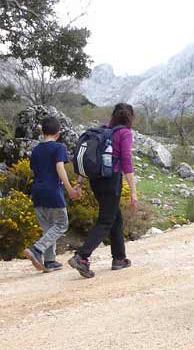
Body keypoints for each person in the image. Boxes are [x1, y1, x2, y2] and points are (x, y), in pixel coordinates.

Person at [69, 103, 138, 278]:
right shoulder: (124, 133)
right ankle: (81, 257)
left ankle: (119, 258)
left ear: (113, 115)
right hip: (111, 180)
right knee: (106, 220)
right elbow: (126, 162)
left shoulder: (102, 131)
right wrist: (133, 191)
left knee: (116, 216)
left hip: (95, 181)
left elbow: (89, 159)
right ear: (130, 118)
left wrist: (79, 182)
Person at [24, 117, 81, 272]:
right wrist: (69, 189)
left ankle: (50, 261)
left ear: (42, 131)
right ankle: (37, 249)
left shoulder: (36, 149)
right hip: (52, 193)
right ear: (59, 133)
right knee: (62, 224)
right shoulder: (58, 148)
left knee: (48, 227)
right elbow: (59, 167)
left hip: (37, 193)